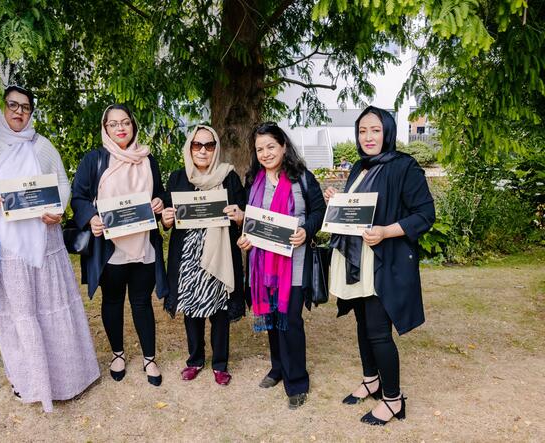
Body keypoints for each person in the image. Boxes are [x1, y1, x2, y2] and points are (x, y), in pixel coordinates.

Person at [0, 85, 100, 412]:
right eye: (13, 105)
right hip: (4, 249)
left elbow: (61, 183)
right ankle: (30, 381)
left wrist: (58, 210)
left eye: (26, 107)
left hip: (44, 244)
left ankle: (68, 379)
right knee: (20, 316)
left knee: (53, 310)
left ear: (32, 112)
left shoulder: (43, 146)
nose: (19, 112)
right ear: (2, 109)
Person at [324, 106, 435, 425]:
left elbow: (425, 215)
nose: (368, 137)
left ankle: (393, 399)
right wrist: (337, 200)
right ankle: (371, 380)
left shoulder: (404, 166)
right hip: (355, 259)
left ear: (387, 131)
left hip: (382, 261)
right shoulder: (359, 166)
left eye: (375, 130)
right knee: (362, 325)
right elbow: (357, 211)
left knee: (378, 332)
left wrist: (387, 231)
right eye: (362, 131)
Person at [71, 104, 168, 387]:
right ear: (105, 128)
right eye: (113, 124)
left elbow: (159, 192)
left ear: (133, 125)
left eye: (125, 122)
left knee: (141, 302)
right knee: (112, 301)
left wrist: (161, 202)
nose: (120, 128)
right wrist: (91, 218)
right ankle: (117, 354)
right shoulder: (95, 160)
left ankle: (149, 358)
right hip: (110, 249)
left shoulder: (148, 160)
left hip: (143, 245)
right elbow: (78, 197)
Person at [237, 122, 325, 409]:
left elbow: (318, 212)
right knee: (273, 320)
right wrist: (245, 240)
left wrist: (307, 230)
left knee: (291, 321)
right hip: (262, 264)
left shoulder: (302, 178)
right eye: (259, 149)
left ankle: (297, 380)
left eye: (270, 146)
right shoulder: (253, 180)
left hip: (294, 264)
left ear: (284, 146)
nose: (265, 153)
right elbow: (250, 220)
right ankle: (277, 368)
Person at [161, 125, 246, 386]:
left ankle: (220, 364)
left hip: (220, 254)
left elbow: (243, 215)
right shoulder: (177, 178)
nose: (202, 150)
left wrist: (239, 216)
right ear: (189, 148)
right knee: (192, 309)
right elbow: (167, 219)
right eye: (197, 145)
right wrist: (165, 218)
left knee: (219, 310)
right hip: (187, 255)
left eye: (209, 146)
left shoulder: (229, 177)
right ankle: (195, 359)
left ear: (216, 149)